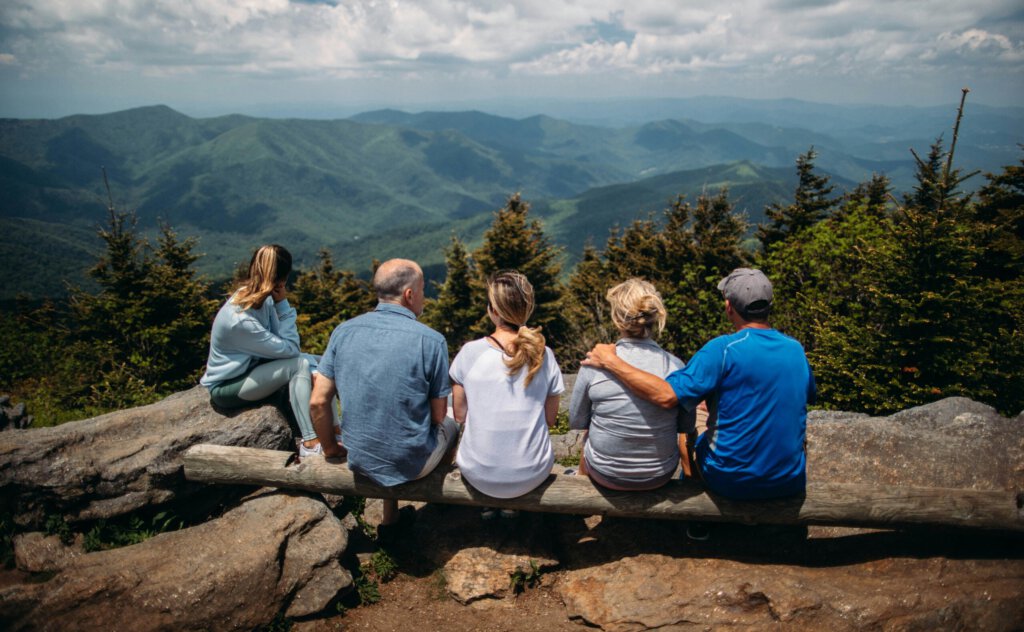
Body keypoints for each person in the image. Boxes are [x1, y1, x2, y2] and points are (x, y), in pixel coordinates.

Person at [582, 268, 816, 501]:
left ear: (728, 307)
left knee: (691, 420)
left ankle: (692, 495)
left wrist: (611, 361)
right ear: (769, 305)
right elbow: (800, 395)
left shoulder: (722, 349)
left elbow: (666, 396)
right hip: (788, 480)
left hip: (730, 480)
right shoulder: (795, 349)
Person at [309, 258, 458, 537]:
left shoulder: (343, 331)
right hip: (412, 464)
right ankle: (443, 503)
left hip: (359, 457)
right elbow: (438, 416)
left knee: (386, 416)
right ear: (409, 294)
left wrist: (330, 448)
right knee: (453, 424)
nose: (424, 297)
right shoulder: (431, 340)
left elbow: (318, 401)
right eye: (423, 290)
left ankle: (391, 519)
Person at [201, 244, 338, 457]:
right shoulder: (241, 320)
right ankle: (310, 443)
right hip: (227, 387)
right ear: (282, 279)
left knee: (324, 362)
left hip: (252, 369)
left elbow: (281, 344)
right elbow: (291, 349)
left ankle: (335, 431)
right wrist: (283, 305)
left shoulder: (258, 299)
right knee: (299, 365)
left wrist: (315, 369)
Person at [450, 271, 564, 517]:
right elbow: (550, 419)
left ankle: (491, 503)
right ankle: (511, 507)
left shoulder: (470, 353)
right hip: (532, 473)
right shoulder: (544, 355)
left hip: (479, 474)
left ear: (493, 310)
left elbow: (460, 415)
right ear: (527, 309)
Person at [569, 279, 695, 491]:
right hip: (660, 474)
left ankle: (579, 483)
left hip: (605, 474)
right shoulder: (676, 366)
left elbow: (577, 420)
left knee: (589, 433)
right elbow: (685, 425)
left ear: (617, 320)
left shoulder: (595, 363)